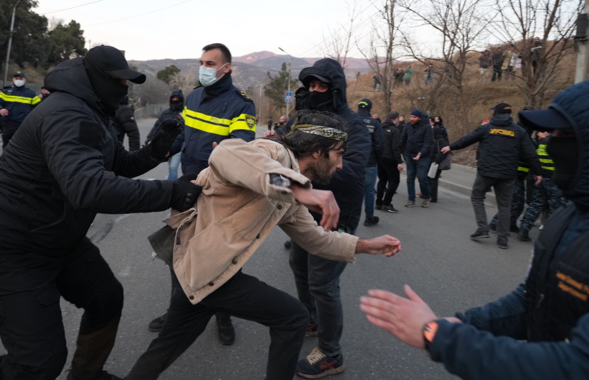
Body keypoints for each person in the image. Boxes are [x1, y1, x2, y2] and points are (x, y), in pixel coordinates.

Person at [0, 45, 197, 380]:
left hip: (57, 240)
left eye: (128, 83)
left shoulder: (93, 112)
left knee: (106, 299)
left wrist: (157, 148)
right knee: (36, 364)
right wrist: (172, 192)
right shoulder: (67, 113)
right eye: (119, 81)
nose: (124, 88)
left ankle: (87, 375)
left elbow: (118, 165)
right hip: (11, 249)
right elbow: (89, 188)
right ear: (94, 77)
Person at [360, 72, 589, 380]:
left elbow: (584, 367)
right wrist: (463, 324)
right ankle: (496, 231)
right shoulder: (571, 216)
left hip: (497, 174)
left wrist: (438, 336)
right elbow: (532, 298)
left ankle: (489, 227)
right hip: (507, 177)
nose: (550, 144)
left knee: (487, 199)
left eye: (563, 136)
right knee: (503, 204)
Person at [125, 111, 402, 380]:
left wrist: (366, 245)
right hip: (204, 265)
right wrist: (300, 189)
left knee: (168, 343)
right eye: (339, 153)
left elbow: (316, 239)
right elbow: (226, 153)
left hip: (197, 266)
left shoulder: (291, 192)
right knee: (293, 318)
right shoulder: (273, 153)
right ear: (319, 151)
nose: (341, 164)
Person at [148, 43, 256, 345]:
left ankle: (223, 314)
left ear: (226, 68)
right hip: (186, 186)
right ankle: (176, 311)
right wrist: (168, 147)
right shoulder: (194, 96)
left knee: (221, 256)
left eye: (210, 63)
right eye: (202, 62)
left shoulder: (241, 104)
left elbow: (241, 143)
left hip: (220, 192)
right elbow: (185, 132)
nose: (204, 68)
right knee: (178, 252)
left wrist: (225, 151)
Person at [283, 58, 371, 378]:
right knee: (298, 266)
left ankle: (331, 353)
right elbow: (283, 151)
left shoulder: (353, 124)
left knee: (323, 282)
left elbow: (351, 173)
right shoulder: (303, 117)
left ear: (335, 88)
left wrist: (309, 169)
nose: (315, 90)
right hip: (304, 211)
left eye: (321, 85)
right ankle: (311, 319)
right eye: (310, 85)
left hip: (338, 213)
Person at [442, 103, 541, 249]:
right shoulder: (518, 131)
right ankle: (503, 239)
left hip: (487, 172)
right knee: (505, 206)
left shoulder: (487, 128)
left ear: (496, 113)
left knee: (477, 196)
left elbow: (468, 139)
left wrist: (450, 146)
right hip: (508, 174)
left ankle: (482, 228)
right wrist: (538, 171)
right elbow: (531, 153)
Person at [516, 130, 567, 241]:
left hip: (541, 178)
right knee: (556, 209)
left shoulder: (543, 143)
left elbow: (536, 158)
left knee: (535, 205)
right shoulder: (560, 143)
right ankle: (551, 237)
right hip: (555, 180)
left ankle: (523, 230)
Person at [0, 70, 41, 148]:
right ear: (13, 80)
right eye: (16, 78)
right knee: (6, 146)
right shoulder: (6, 92)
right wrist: (0, 109)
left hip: (23, 125)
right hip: (8, 124)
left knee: (21, 147)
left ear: (25, 80)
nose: (18, 80)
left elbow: (39, 108)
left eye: (20, 78)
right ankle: (6, 160)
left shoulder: (31, 94)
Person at [357, 99, 385, 226]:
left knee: (352, 190)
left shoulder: (350, 121)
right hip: (370, 162)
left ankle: (349, 219)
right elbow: (380, 145)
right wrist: (377, 159)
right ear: (369, 109)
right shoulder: (375, 124)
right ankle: (369, 218)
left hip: (353, 163)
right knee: (369, 191)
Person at [146, 89, 184, 181]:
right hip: (167, 145)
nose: (175, 100)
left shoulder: (185, 113)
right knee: (170, 166)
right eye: (173, 98)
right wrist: (149, 137)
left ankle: (171, 188)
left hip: (178, 144)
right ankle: (173, 183)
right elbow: (157, 126)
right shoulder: (166, 113)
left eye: (177, 98)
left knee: (173, 167)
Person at [400, 109, 434, 208]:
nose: (412, 119)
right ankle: (411, 199)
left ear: (419, 118)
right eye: (411, 117)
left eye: (414, 117)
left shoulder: (427, 127)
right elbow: (402, 139)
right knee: (410, 178)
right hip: (410, 155)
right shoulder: (407, 126)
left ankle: (427, 196)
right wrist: (398, 151)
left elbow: (428, 143)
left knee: (422, 177)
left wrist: (420, 153)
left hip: (423, 156)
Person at [376, 111, 404, 214]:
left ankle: (378, 203)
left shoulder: (380, 128)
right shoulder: (395, 130)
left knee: (382, 180)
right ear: (396, 119)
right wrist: (399, 162)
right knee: (394, 181)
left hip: (380, 157)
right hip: (390, 158)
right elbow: (395, 147)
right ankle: (386, 203)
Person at [428, 118, 451, 203]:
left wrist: (436, 161)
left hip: (436, 163)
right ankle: (430, 195)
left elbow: (444, 152)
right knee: (432, 179)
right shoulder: (438, 140)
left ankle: (433, 197)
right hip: (435, 162)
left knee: (433, 179)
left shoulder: (440, 141)